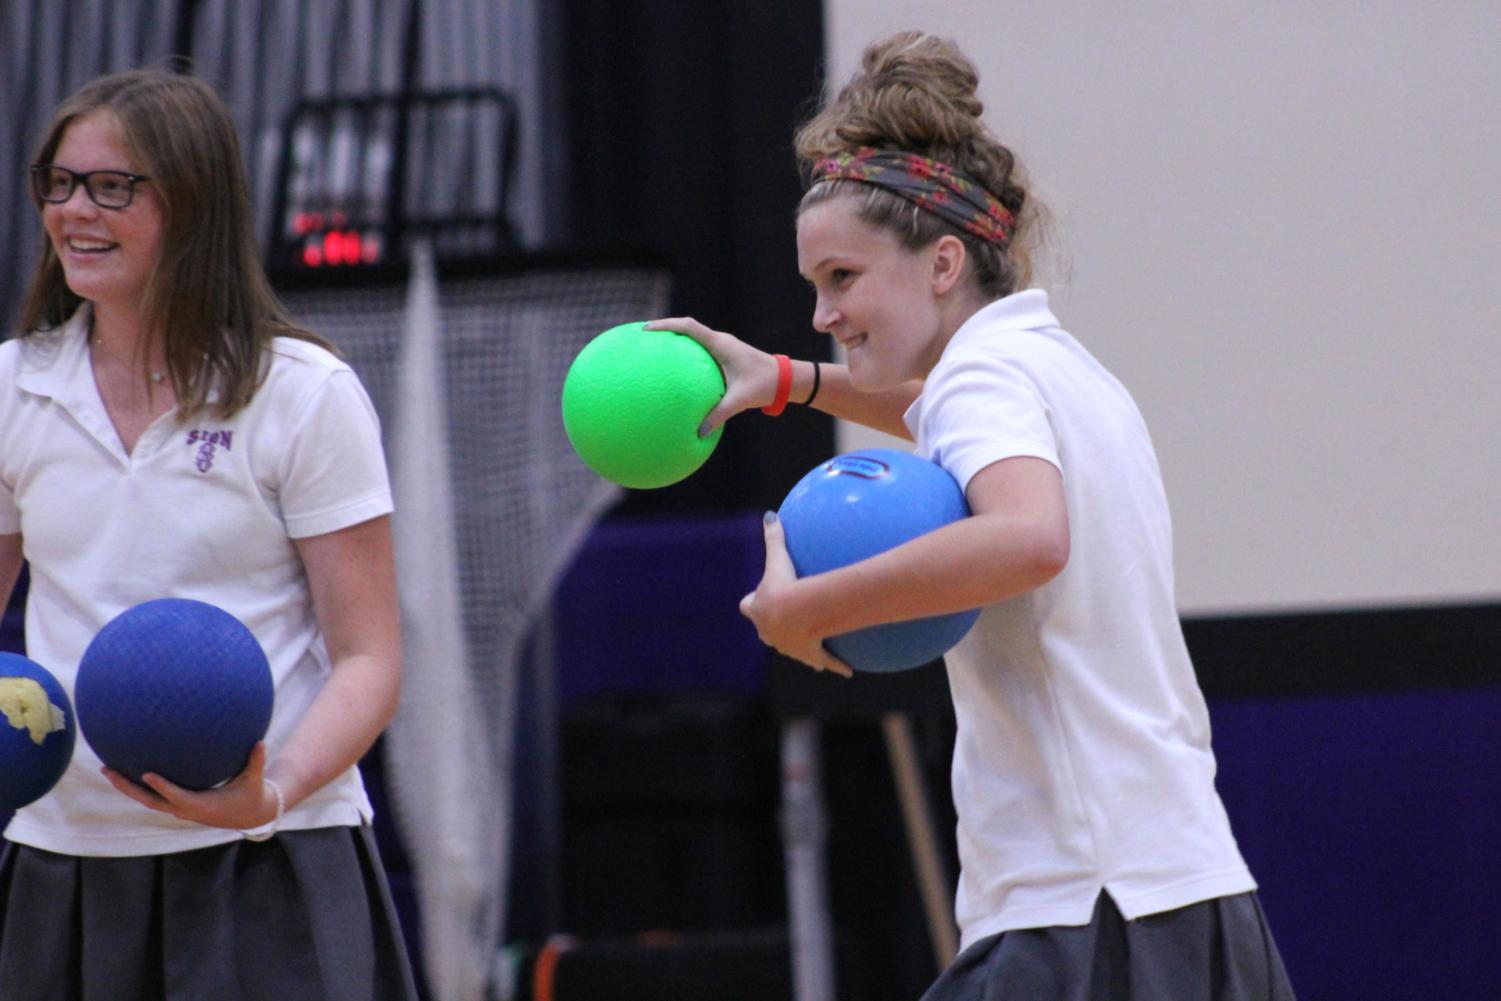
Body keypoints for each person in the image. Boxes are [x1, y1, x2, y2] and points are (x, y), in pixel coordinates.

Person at [646, 31, 1296, 1000]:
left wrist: (810, 606)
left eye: (842, 278)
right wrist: (782, 381)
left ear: (943, 261)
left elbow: (1025, 535)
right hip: (1180, 886)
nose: (822, 312)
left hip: (1083, 905)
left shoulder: (982, 379)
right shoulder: (1056, 365)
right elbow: (939, 418)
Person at [0, 68, 419, 999]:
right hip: (63, 858)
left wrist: (270, 792)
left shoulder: (303, 392)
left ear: (192, 205)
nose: (75, 211)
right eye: (58, 183)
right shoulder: (10, 388)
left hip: (271, 856)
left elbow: (369, 658)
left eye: (113, 187)